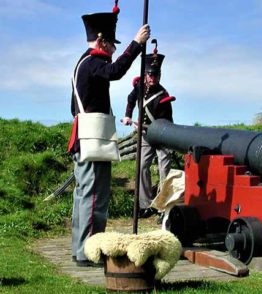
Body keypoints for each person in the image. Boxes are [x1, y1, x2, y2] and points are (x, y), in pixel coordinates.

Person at [68, 1, 150, 267]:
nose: (114, 48)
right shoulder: (93, 62)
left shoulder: (84, 62)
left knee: (84, 196)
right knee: (94, 198)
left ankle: (80, 249)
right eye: (112, 43)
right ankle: (89, 253)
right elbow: (115, 72)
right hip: (93, 139)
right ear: (102, 41)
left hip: (85, 137)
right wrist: (136, 44)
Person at [122, 40, 175, 219]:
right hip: (145, 136)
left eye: (156, 75)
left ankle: (163, 207)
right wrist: (128, 115)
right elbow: (130, 100)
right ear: (145, 75)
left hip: (163, 137)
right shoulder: (139, 88)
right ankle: (145, 204)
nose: (153, 78)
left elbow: (166, 121)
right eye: (150, 75)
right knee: (142, 167)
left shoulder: (164, 95)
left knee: (164, 171)